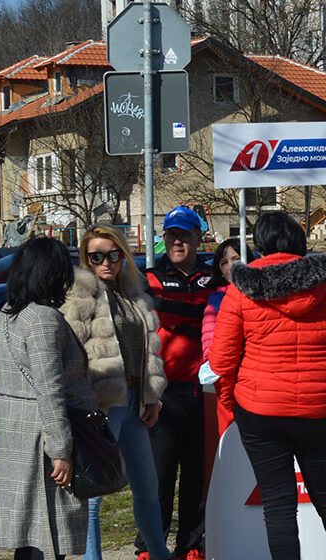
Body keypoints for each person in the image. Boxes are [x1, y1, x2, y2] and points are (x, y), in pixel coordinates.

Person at [209, 211, 326, 560]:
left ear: (260, 245)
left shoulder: (241, 292)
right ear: (299, 242)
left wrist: (232, 403)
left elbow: (220, 362)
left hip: (259, 411)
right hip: (320, 410)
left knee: (278, 507)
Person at [58, 224, 171, 560]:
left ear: (123, 255)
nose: (105, 263)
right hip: (101, 405)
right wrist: (82, 407)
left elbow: (148, 351)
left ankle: (159, 554)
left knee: (148, 488)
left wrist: (152, 396)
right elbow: (69, 355)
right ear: (85, 258)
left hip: (136, 402)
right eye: (96, 256)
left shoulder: (134, 292)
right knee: (95, 491)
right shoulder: (78, 296)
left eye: (112, 255)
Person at [0, 236, 98, 560]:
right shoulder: (42, 319)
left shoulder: (8, 313)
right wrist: (61, 451)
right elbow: (50, 389)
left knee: (30, 534)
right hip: (40, 437)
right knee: (49, 535)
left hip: (14, 431)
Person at [140, 206, 213, 560]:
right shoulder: (149, 277)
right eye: (172, 235)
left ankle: (192, 545)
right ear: (163, 239)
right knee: (159, 477)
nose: (178, 241)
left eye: (185, 234)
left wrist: (171, 313)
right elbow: (147, 310)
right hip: (163, 394)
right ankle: (150, 547)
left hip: (203, 393)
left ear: (198, 238)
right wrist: (195, 315)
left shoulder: (213, 278)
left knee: (196, 476)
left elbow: (221, 313)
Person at [200, 238, 253, 482]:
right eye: (224, 262)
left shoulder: (264, 295)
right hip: (229, 386)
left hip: (260, 383)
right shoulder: (216, 302)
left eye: (236, 258)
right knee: (231, 449)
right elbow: (211, 347)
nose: (231, 265)